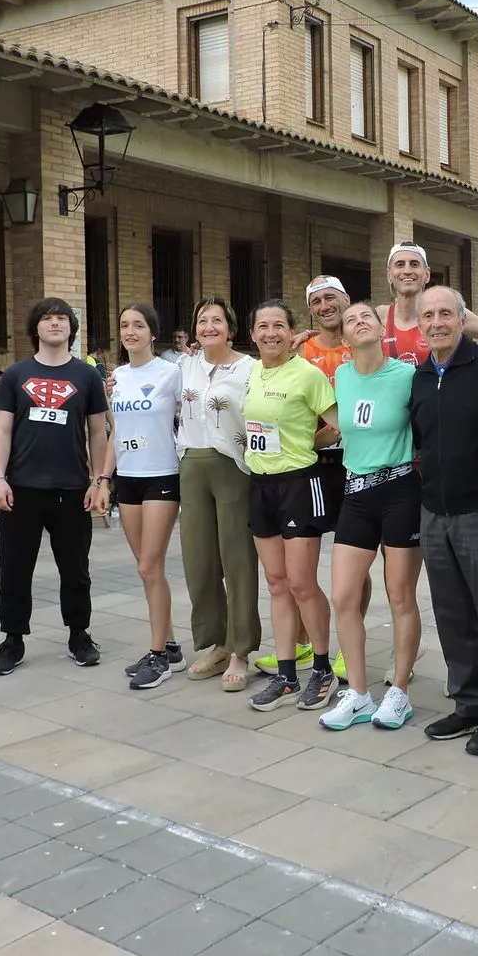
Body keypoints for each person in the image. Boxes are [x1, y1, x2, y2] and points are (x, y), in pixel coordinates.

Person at [410, 286, 478, 756]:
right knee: (451, 614)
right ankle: (468, 702)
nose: (436, 322)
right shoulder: (418, 376)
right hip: (434, 513)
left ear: (461, 318)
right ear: (419, 324)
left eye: (445, 314)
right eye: (428, 316)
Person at [0, 298, 111, 676]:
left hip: (72, 490)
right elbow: (1, 430)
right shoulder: (16, 374)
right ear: (35, 327)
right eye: (47, 318)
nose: (55, 323)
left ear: (72, 328)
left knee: (76, 570)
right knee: (14, 569)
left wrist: (98, 480)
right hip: (21, 490)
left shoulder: (87, 376)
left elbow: (97, 432)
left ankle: (79, 635)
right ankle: (12, 640)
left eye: (62, 318)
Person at [321, 301, 422, 731]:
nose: (359, 322)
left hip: (400, 491)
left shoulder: (407, 375)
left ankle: (399, 691)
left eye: (367, 317)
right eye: (351, 320)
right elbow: (329, 424)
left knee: (400, 596)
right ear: (344, 335)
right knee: (344, 596)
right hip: (356, 494)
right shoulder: (341, 377)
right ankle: (359, 694)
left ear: (382, 329)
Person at [242, 300, 341, 713]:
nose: (270, 333)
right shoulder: (251, 372)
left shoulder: (308, 374)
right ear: (253, 334)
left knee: (301, 583)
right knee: (277, 583)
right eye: (262, 326)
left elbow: (338, 424)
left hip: (300, 484)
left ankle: (322, 668)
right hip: (260, 485)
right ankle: (286, 676)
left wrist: (306, 444)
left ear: (291, 331)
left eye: (278, 326)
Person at [175, 297, 258, 691]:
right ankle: (217, 643)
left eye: (217, 321)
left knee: (237, 559)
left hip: (233, 465)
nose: (209, 327)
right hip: (191, 463)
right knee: (199, 560)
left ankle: (241, 648)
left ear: (231, 328)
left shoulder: (249, 368)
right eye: (202, 321)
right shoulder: (183, 365)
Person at [107, 302, 186, 692]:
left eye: (138, 325)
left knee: (150, 565)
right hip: (128, 479)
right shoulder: (116, 378)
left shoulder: (171, 373)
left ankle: (158, 656)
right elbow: (114, 433)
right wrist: (103, 478)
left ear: (153, 333)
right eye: (125, 325)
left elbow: (191, 417)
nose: (130, 331)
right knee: (145, 568)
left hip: (162, 476)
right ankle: (170, 648)